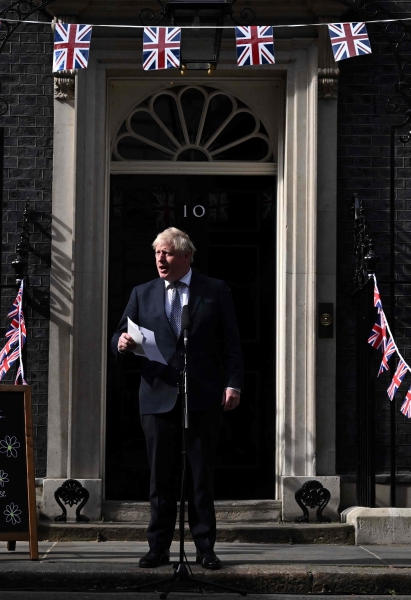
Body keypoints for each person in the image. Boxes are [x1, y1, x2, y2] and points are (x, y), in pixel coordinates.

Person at [110, 227, 243, 570]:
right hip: (156, 396)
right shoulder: (143, 293)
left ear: (186, 256)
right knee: (161, 478)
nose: (160, 259)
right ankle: (158, 548)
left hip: (201, 395)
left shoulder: (214, 291)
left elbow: (231, 344)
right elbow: (120, 334)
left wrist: (233, 384)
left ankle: (205, 548)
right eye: (157, 253)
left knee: (200, 476)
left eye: (167, 253)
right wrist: (121, 343)